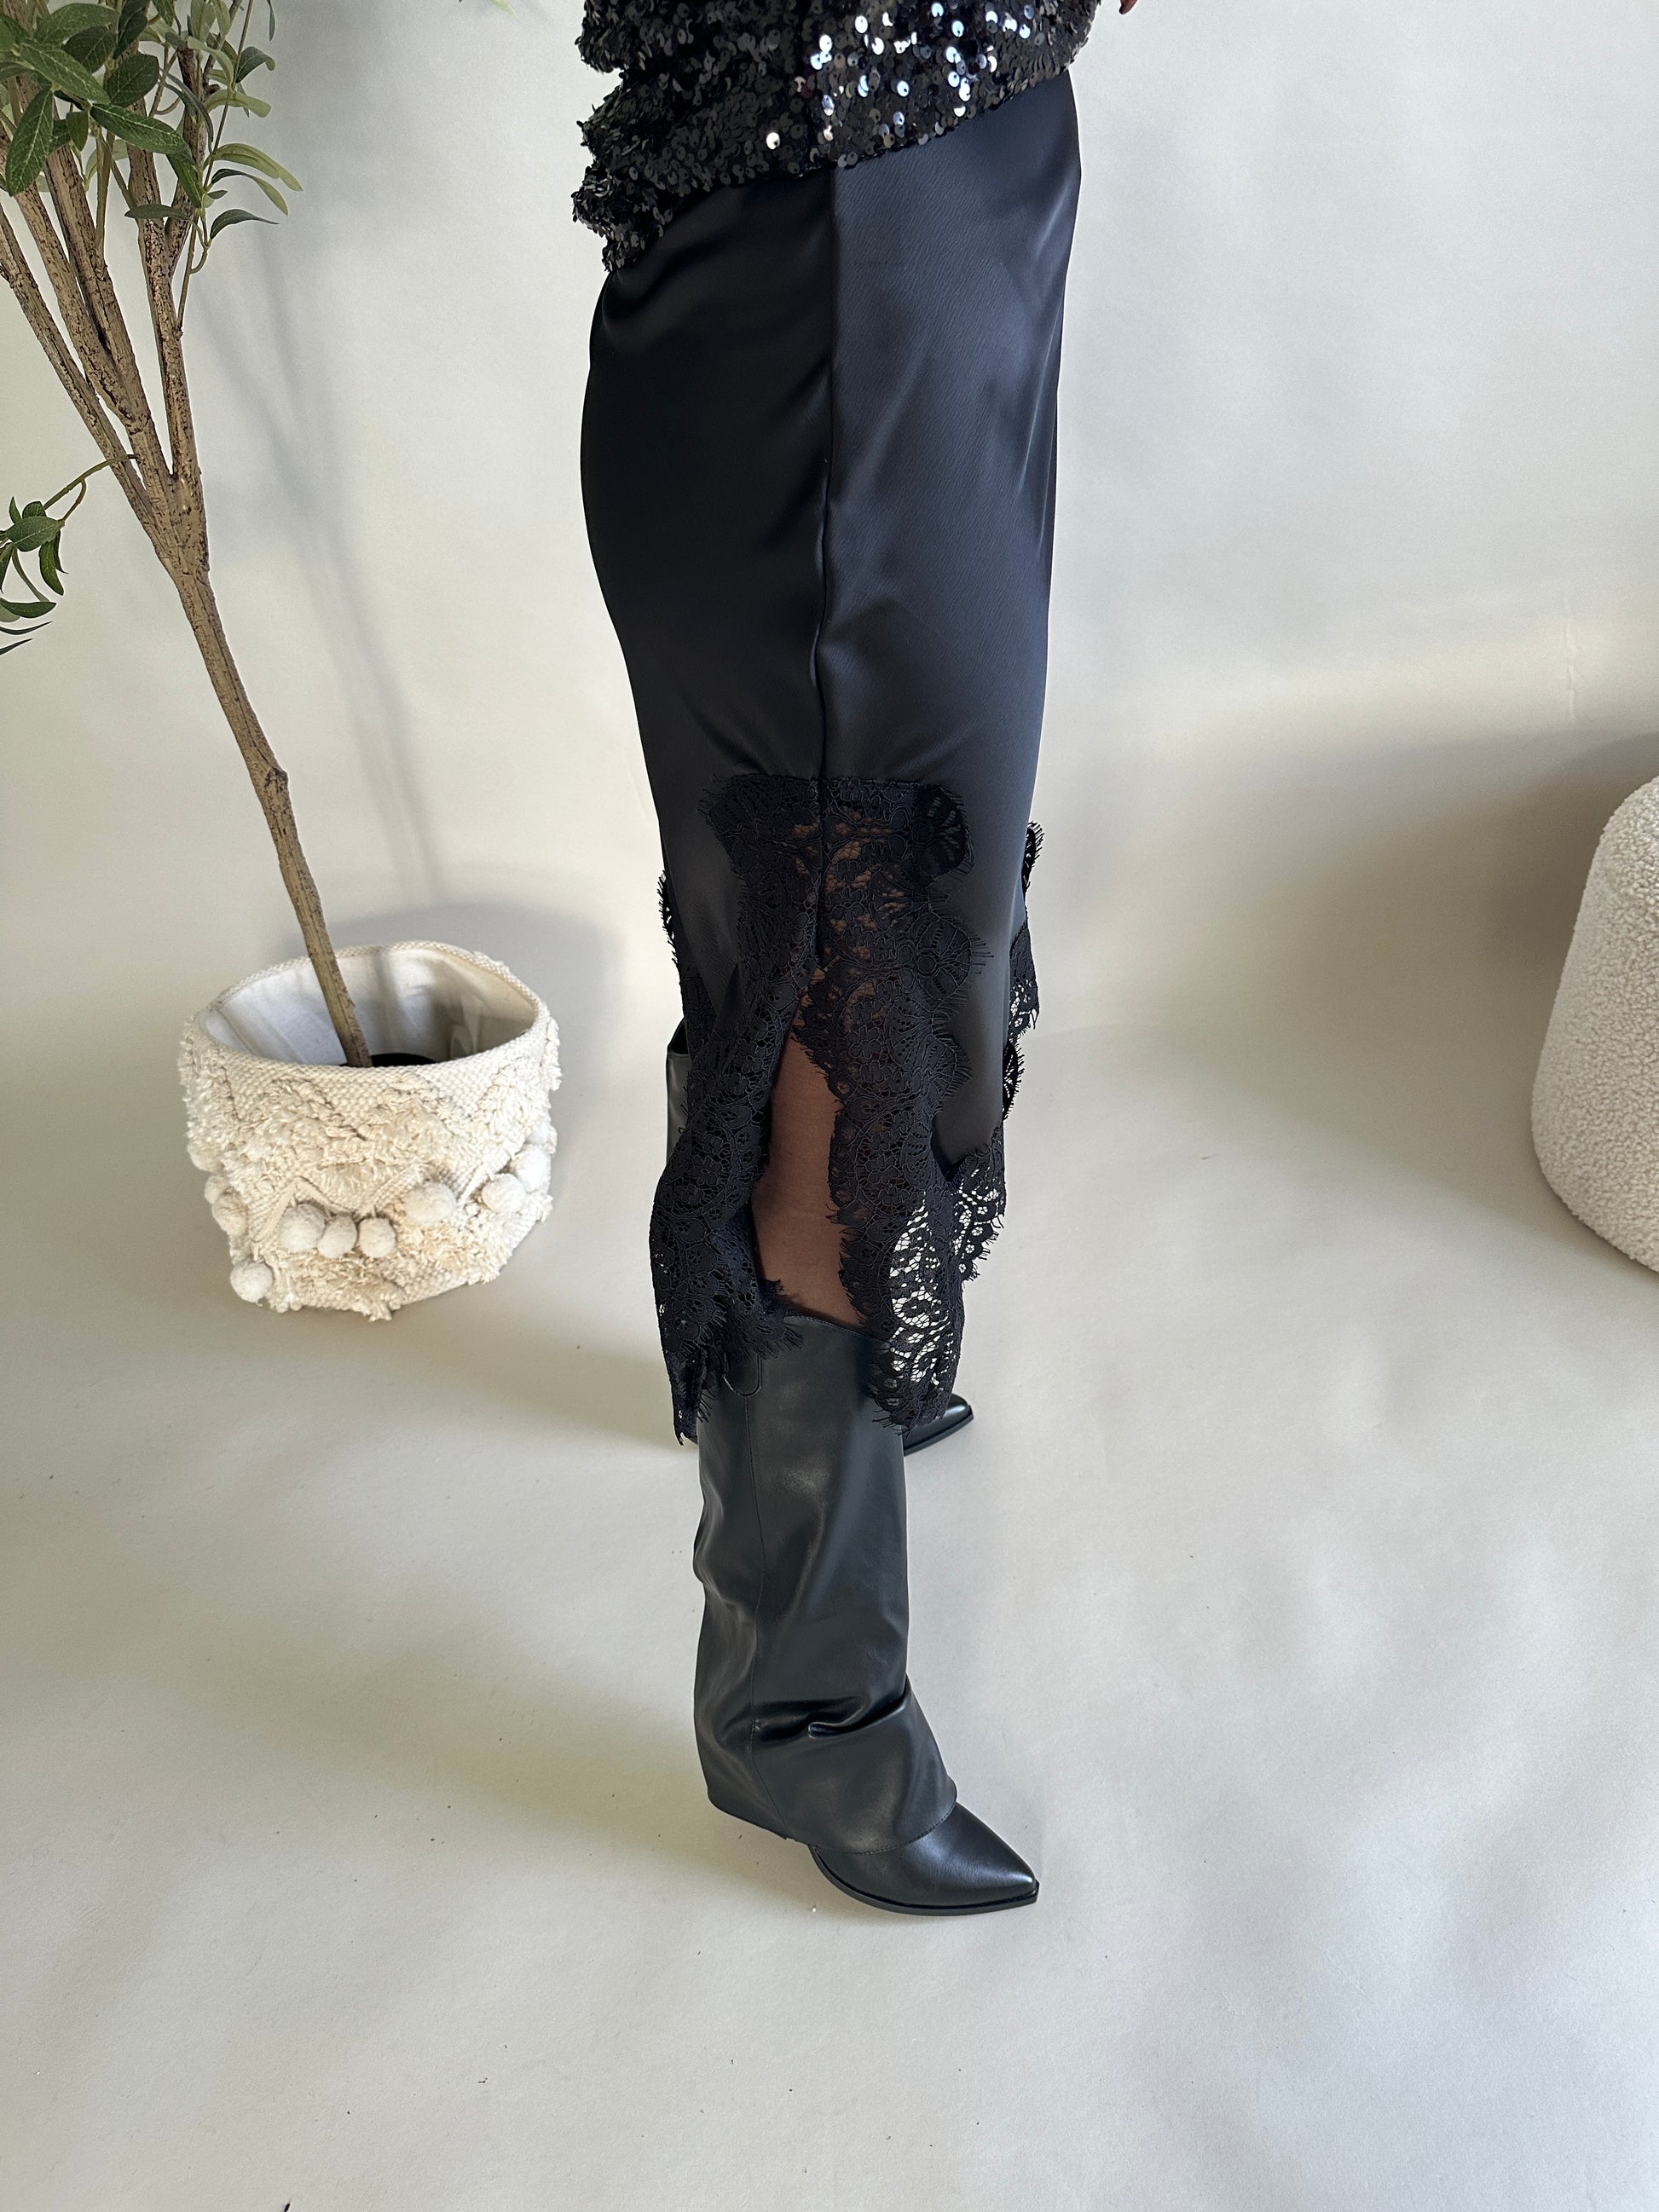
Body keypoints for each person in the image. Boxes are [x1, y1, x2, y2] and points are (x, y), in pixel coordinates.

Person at [577, 0, 1139, 1915]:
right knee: (847, 957)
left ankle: (798, 1373)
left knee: (876, 908)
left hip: (945, 216)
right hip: (835, 271)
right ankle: (799, 1711)